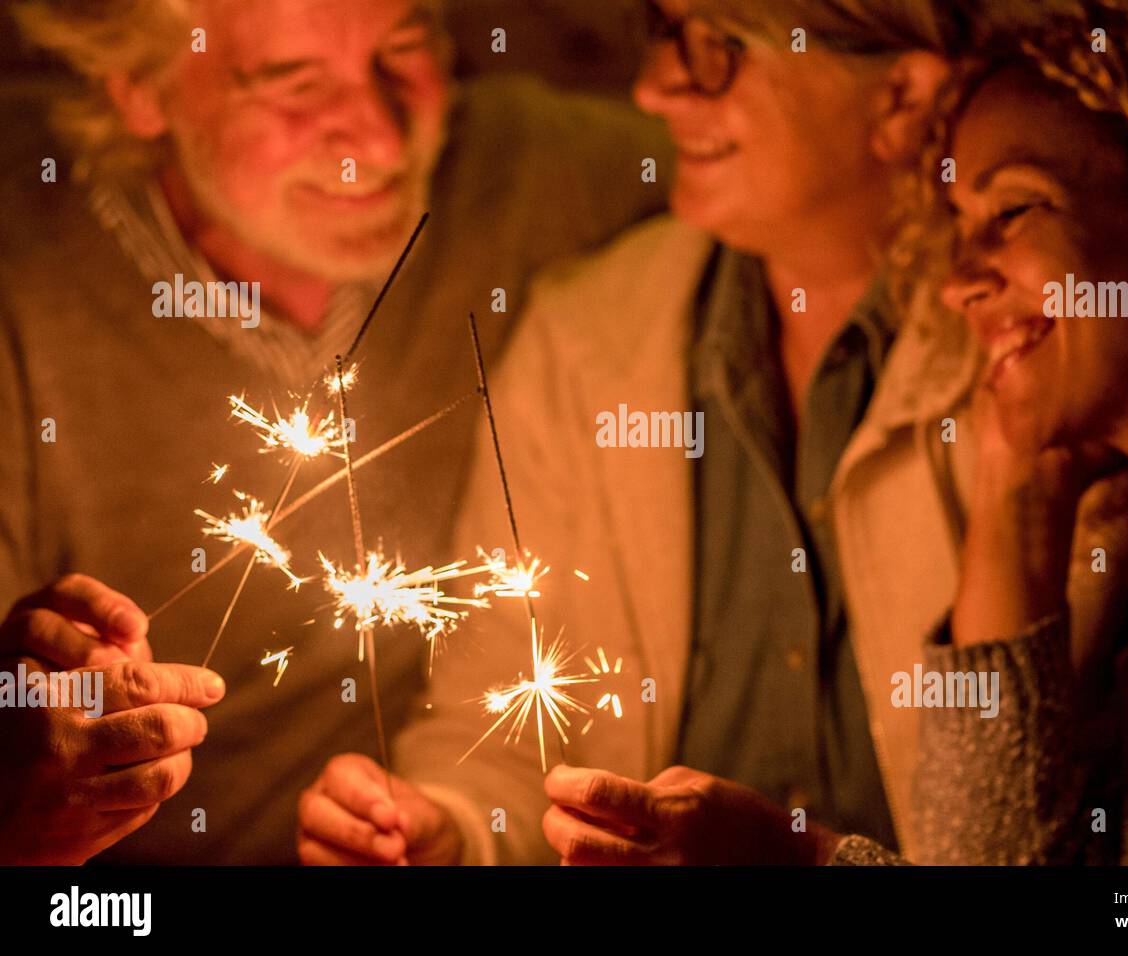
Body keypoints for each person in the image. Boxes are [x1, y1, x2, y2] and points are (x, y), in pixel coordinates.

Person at [539, 0, 1128, 866]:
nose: (960, 283)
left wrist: (798, 863)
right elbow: (987, 859)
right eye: (959, 225)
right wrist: (1013, 488)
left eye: (1013, 213)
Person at [295, 0, 989, 866]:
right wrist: (453, 832)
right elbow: (499, 726)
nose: (654, 89)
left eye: (718, 49)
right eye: (662, 34)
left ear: (901, 95)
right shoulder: (590, 335)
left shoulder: (1023, 354)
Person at [0, 0, 668, 865]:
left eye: (403, 50)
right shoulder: (24, 273)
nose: (381, 140)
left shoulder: (544, 174)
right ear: (136, 87)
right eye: (293, 81)